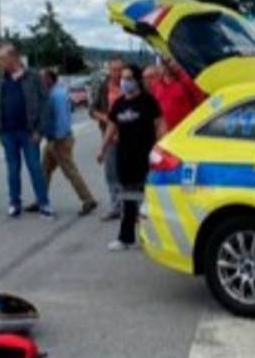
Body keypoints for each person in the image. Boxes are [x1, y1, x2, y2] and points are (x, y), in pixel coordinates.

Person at [97, 63, 165, 251]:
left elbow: (160, 124)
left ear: (137, 81)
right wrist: (102, 149)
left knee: (148, 199)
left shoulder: (148, 101)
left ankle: (151, 238)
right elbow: (111, 127)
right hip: (125, 157)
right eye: (122, 78)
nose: (124, 82)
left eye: (128, 78)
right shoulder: (119, 104)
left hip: (146, 156)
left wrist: (161, 147)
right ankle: (125, 238)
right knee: (127, 198)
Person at [0, 43, 51, 218]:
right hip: (7, 132)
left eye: (2, 58)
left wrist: (40, 129)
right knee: (12, 169)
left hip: (29, 132)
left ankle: (44, 204)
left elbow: (45, 104)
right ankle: (14, 203)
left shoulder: (33, 77)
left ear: (13, 57)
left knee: (35, 168)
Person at [40, 68, 97, 216]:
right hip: (54, 139)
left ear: (50, 80)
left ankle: (88, 199)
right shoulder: (54, 93)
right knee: (44, 169)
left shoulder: (57, 96)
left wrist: (58, 138)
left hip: (59, 140)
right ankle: (41, 199)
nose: (40, 80)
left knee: (70, 172)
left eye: (42, 77)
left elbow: (62, 120)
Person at [89, 58, 125, 221]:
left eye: (120, 69)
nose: (117, 73)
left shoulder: (133, 85)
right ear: (109, 71)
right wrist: (106, 118)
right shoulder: (104, 88)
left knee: (130, 173)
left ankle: (132, 207)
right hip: (110, 137)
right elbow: (92, 110)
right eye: (114, 70)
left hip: (131, 137)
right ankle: (115, 206)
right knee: (111, 173)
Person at [149, 57, 205, 133]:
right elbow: (157, 110)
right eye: (163, 62)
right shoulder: (155, 84)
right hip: (169, 133)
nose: (167, 65)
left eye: (169, 61)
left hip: (188, 130)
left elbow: (201, 105)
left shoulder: (189, 80)